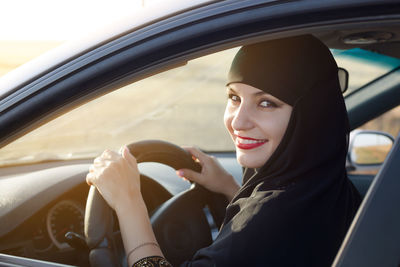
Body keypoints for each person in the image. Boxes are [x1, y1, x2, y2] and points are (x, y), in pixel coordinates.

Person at [86, 35, 361, 266]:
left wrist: (129, 202)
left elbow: (265, 232)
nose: (238, 121)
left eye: (266, 103)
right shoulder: (328, 190)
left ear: (311, 115)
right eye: (234, 97)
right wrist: (229, 188)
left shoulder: (272, 218)